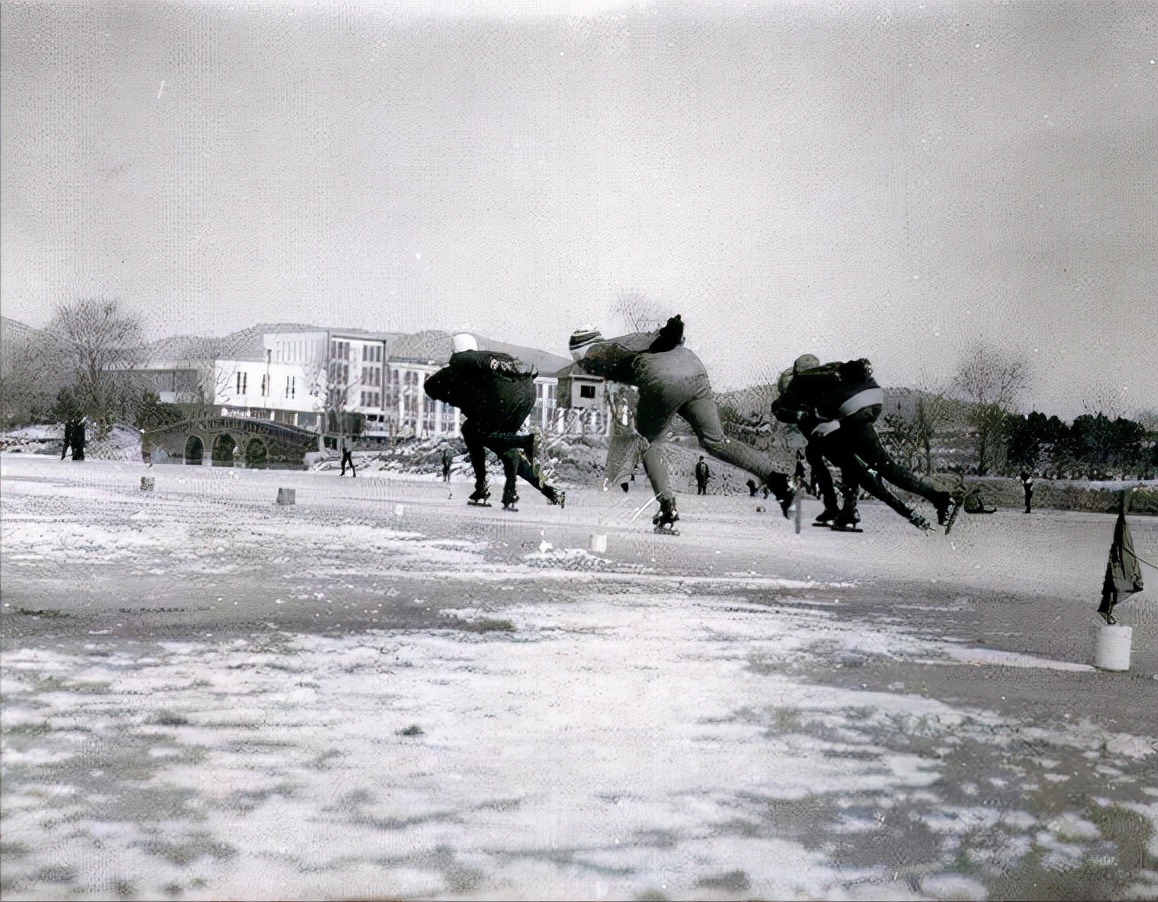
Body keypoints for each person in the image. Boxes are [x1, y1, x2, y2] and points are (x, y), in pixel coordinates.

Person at [568, 316, 793, 531]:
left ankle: (667, 508)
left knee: (649, 442)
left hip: (663, 376)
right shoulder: (618, 352)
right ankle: (777, 480)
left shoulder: (597, 352)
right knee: (716, 440)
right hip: (693, 368)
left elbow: (628, 356)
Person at [780, 355, 961, 532]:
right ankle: (849, 512)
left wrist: (809, 416)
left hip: (853, 409)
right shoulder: (830, 372)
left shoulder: (805, 384)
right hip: (870, 400)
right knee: (872, 467)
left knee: (882, 467)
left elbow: (790, 408)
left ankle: (941, 500)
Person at [424, 333, 565, 511]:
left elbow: (432, 386)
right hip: (527, 391)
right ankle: (551, 492)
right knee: (504, 448)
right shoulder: (489, 360)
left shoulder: (459, 364)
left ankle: (520, 447)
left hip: (503, 395)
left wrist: (440, 372)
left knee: (474, 431)